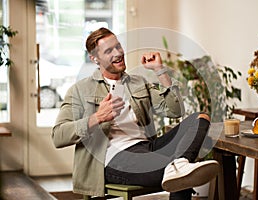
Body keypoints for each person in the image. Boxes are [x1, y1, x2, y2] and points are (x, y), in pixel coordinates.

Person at [51, 27, 219, 200]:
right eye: (109, 50)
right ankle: (179, 166)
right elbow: (58, 136)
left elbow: (175, 111)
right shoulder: (80, 90)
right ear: (95, 59)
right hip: (113, 159)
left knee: (200, 118)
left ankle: (179, 164)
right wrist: (98, 117)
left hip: (147, 148)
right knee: (181, 173)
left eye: (118, 46)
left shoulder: (138, 82)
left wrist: (160, 71)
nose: (118, 53)